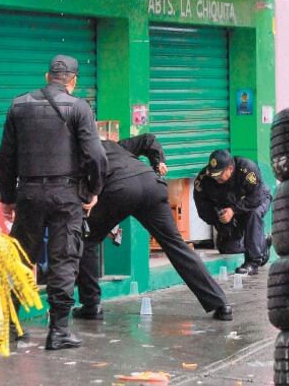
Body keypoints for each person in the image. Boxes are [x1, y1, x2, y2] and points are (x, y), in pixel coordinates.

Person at [0, 54, 107, 350]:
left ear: (48, 77)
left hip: (29, 194)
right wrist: (93, 191)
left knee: (20, 260)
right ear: (73, 81)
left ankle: (9, 326)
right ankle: (58, 330)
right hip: (65, 196)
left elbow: (5, 157)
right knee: (64, 260)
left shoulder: (19, 105)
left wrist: (7, 197)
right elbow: (96, 156)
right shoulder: (79, 108)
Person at [72, 133, 232, 321]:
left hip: (119, 190)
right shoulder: (112, 145)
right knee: (176, 245)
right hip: (151, 185)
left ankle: (91, 305)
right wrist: (158, 162)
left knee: (88, 240)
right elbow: (148, 139)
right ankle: (220, 304)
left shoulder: (76, 153)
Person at [193, 149, 272, 276]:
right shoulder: (205, 179)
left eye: (219, 175)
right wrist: (219, 217)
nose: (215, 178)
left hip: (257, 200)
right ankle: (262, 242)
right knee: (229, 248)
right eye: (213, 174)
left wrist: (233, 210)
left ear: (230, 169)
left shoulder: (247, 169)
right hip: (231, 208)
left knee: (253, 214)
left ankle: (253, 262)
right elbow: (203, 209)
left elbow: (256, 198)